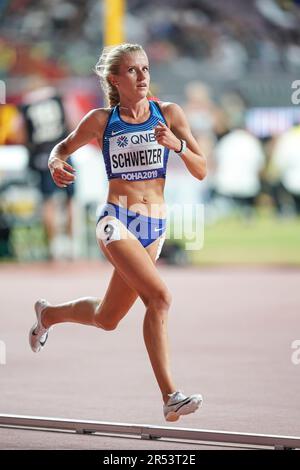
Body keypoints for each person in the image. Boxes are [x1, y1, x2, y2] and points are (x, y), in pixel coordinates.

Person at [29, 43, 207, 422]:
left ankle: (48, 315)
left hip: (153, 229)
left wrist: (176, 145)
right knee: (159, 298)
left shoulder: (169, 114)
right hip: (116, 222)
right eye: (132, 71)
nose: (142, 76)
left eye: (145, 69)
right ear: (115, 79)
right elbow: (60, 148)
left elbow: (201, 168)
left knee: (106, 318)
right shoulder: (101, 120)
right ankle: (170, 396)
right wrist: (55, 163)